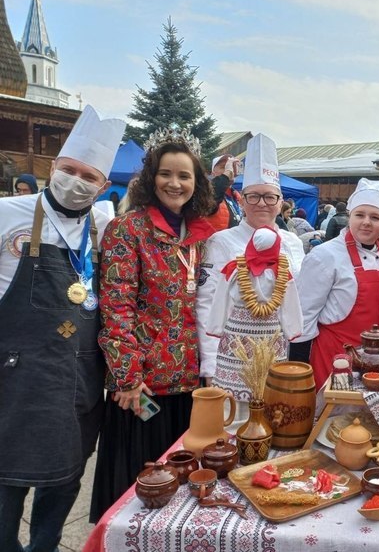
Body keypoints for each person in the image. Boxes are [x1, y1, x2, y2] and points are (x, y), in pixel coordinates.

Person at [0, 106, 125, 552]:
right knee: (6, 482)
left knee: (65, 477)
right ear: (53, 169)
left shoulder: (103, 227)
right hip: (17, 376)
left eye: (88, 176)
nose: (76, 182)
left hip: (77, 380)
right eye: (69, 170)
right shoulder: (7, 214)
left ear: (103, 185)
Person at [89, 125, 215, 523]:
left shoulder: (197, 238)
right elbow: (117, 308)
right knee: (141, 485)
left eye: (184, 175)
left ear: (196, 183)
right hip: (142, 388)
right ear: (150, 177)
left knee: (178, 485)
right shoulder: (127, 230)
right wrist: (126, 377)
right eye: (166, 173)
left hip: (187, 383)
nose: (174, 183)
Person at [197, 134, 304, 418]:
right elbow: (207, 304)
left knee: (276, 421)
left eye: (270, 196)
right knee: (232, 430)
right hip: (231, 360)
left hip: (278, 356)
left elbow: (297, 299)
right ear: (241, 201)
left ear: (281, 202)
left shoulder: (293, 243)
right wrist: (209, 366)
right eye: (253, 196)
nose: (262, 203)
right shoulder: (221, 241)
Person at [292, 178, 379, 389]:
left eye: (375, 217)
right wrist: (298, 371)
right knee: (333, 418)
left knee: (365, 419)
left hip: (375, 360)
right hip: (336, 358)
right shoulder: (325, 255)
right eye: (360, 215)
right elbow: (303, 317)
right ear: (350, 216)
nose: (366, 221)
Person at [204, 154, 242, 232]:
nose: (230, 170)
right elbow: (211, 197)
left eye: (232, 167)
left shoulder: (237, 196)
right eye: (223, 167)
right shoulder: (207, 191)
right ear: (213, 172)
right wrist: (227, 174)